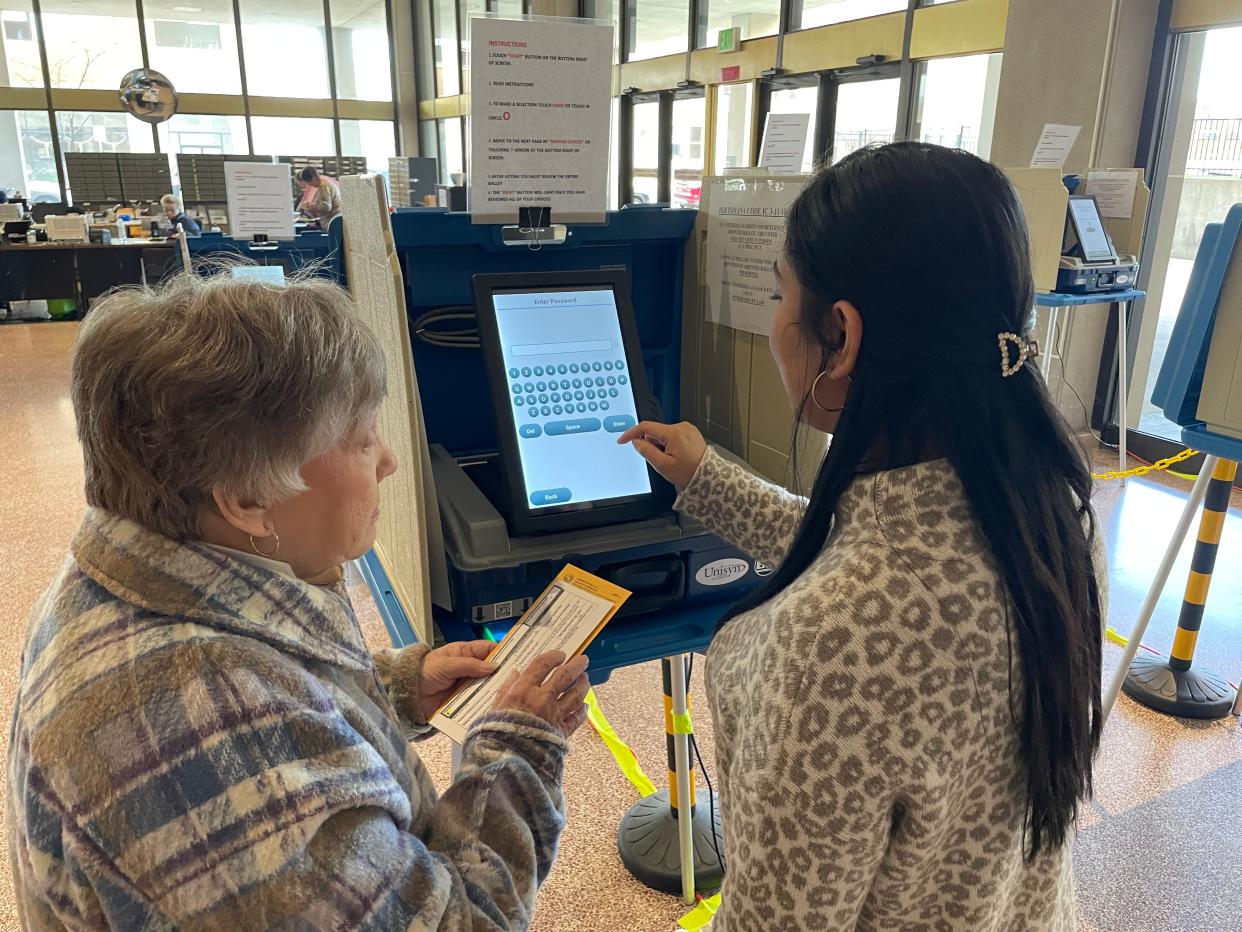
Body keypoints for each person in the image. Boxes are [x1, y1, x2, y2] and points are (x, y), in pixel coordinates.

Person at [8, 271, 591, 930]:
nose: (389, 461)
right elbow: (463, 920)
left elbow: (271, 687)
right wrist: (519, 749)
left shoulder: (136, 570)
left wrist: (394, 690)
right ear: (248, 497)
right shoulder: (200, 724)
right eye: (362, 438)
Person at [621, 142, 1106, 930]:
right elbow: (874, 554)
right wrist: (708, 479)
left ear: (841, 336)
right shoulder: (1053, 516)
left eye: (782, 295)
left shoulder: (828, 647)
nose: (778, 321)